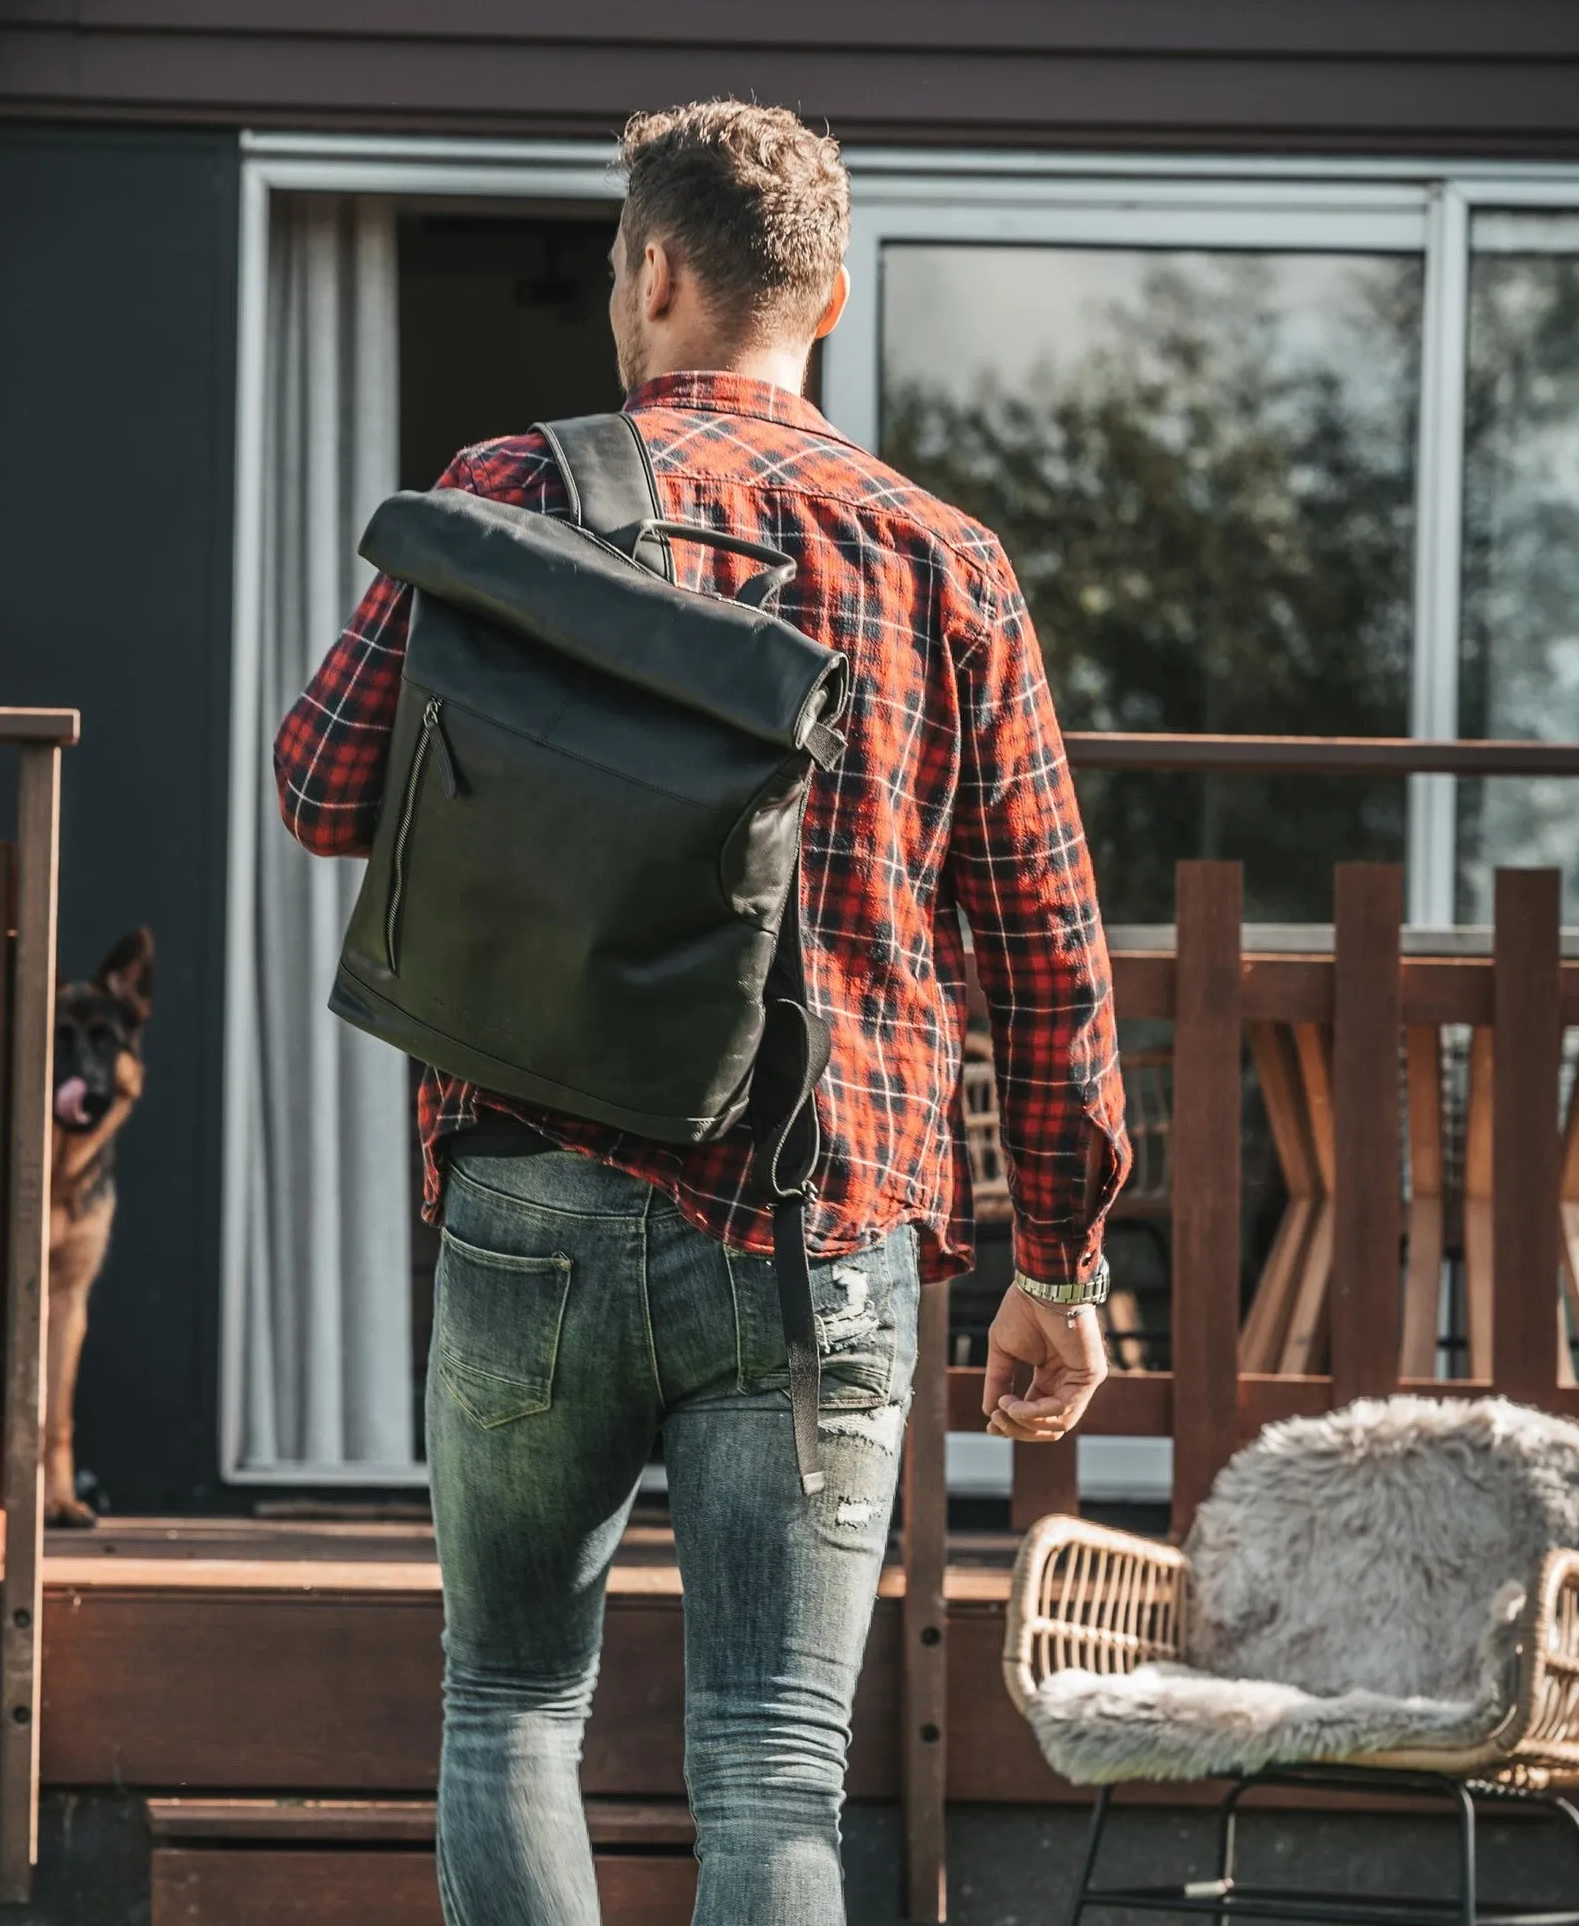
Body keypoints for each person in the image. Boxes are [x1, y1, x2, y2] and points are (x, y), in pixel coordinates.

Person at [275, 99, 1129, 1926]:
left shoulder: (513, 493)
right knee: (774, 1766)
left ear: (652, 270)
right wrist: (1059, 1260)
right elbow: (1045, 938)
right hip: (825, 1221)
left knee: (509, 1702)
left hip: (535, 1198)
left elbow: (322, 790)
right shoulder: (945, 564)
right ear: (823, 300)